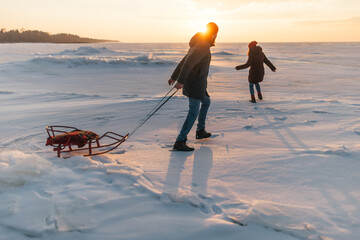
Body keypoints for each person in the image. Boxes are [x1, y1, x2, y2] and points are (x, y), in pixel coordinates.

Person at [168, 22, 219, 151]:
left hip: (199, 83)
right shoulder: (203, 46)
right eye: (216, 34)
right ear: (213, 34)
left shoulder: (199, 43)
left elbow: (184, 61)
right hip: (195, 83)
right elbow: (188, 63)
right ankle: (180, 141)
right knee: (193, 112)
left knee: (206, 101)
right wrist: (180, 80)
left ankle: (200, 130)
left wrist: (174, 76)